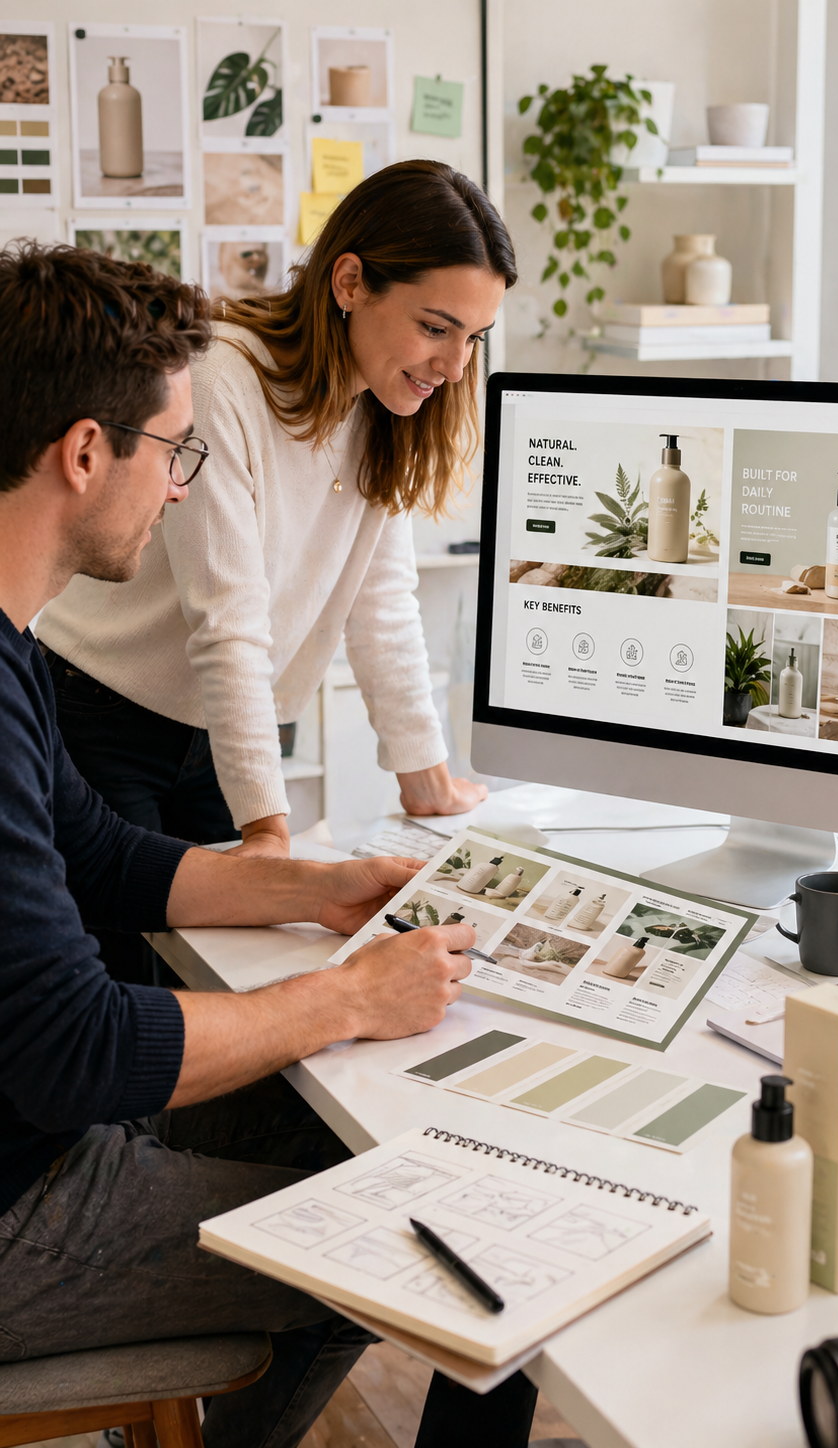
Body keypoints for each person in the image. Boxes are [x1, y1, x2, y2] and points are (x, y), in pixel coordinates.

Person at [0, 242, 538, 1447]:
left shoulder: (13, 649)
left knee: (321, 1122)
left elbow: (110, 859)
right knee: (456, 1247)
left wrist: (320, 884)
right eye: (170, 452)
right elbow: (74, 1050)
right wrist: (344, 997)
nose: (180, 486)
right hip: (17, 1212)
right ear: (87, 453)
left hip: (33, 1152)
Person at [37, 159, 517, 982]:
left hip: (221, 732)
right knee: (135, 983)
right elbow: (229, 622)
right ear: (351, 281)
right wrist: (270, 839)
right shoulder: (226, 378)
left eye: (473, 338)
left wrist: (426, 779)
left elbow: (382, 604)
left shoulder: (385, 407)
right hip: (105, 720)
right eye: (436, 327)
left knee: (238, 974)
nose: (454, 366)